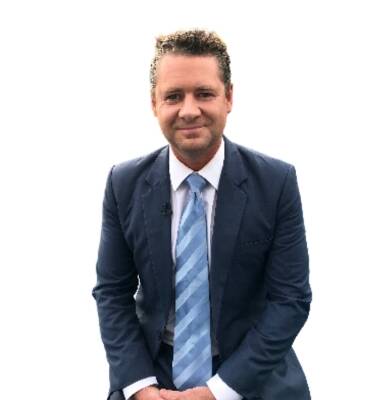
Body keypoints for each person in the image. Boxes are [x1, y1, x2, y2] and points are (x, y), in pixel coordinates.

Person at [93, 29, 312, 400]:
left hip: (251, 376)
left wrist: (217, 392)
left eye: (204, 94)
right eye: (174, 96)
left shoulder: (276, 183)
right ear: (154, 103)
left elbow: (290, 300)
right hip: (153, 374)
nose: (189, 110)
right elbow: (112, 293)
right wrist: (141, 386)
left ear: (229, 97)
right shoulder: (123, 184)